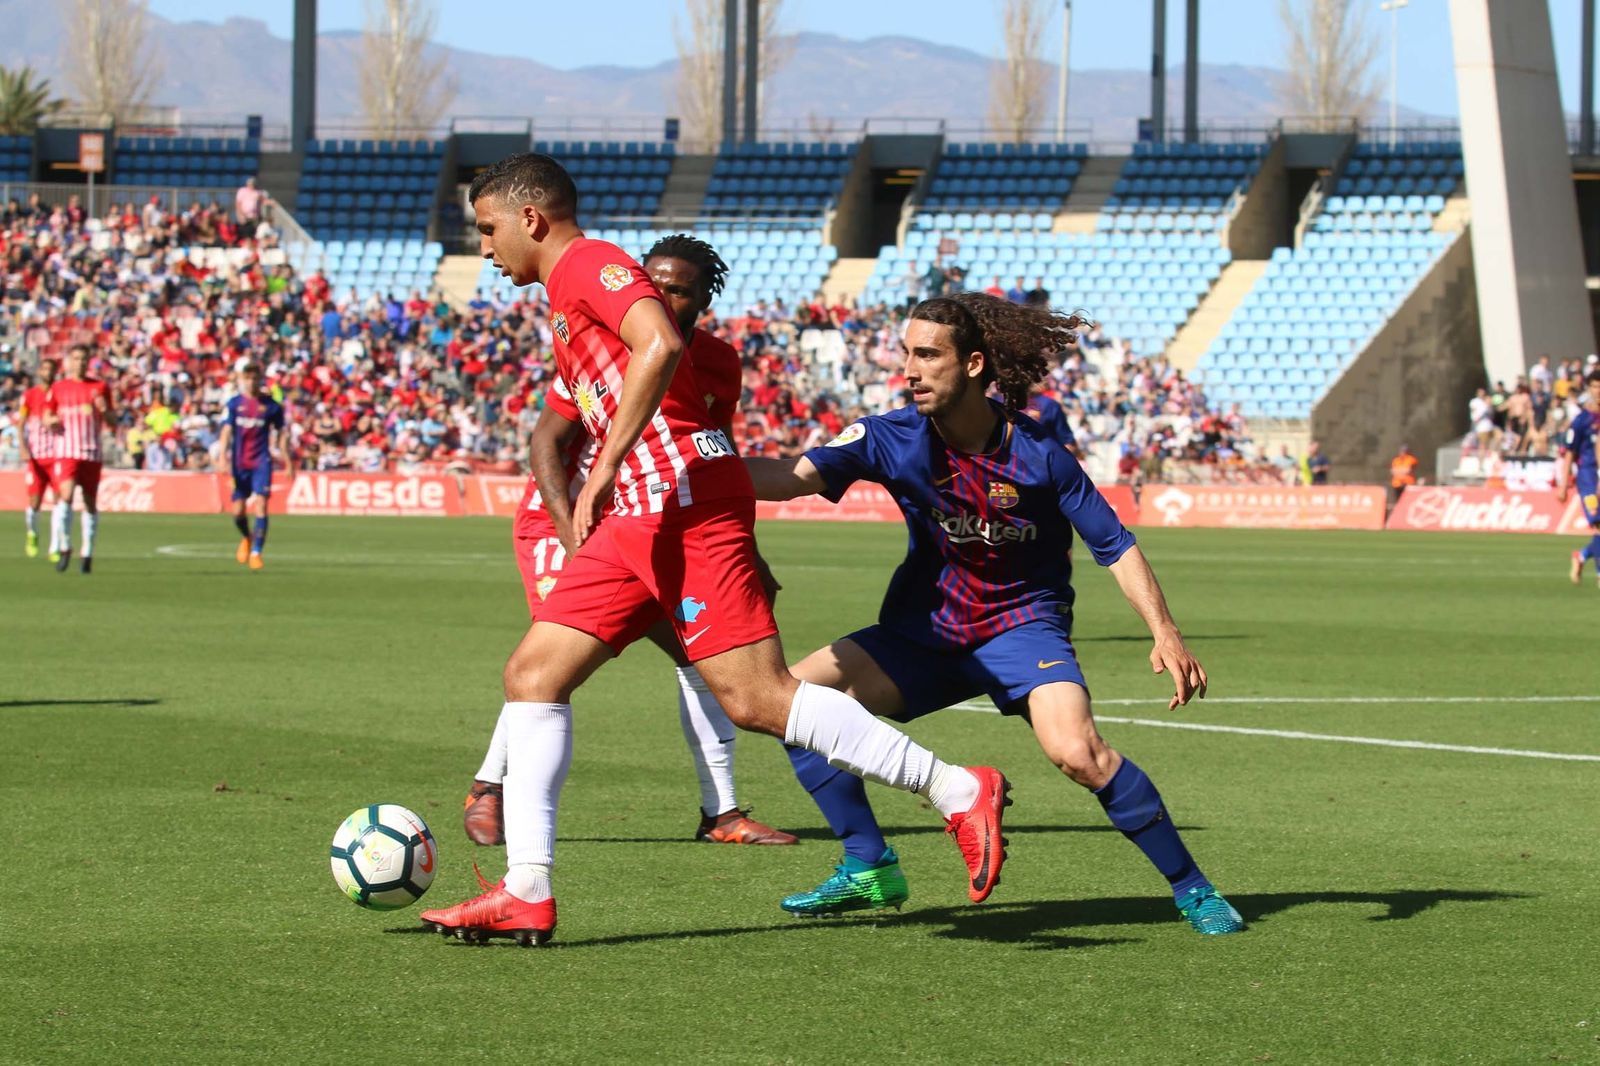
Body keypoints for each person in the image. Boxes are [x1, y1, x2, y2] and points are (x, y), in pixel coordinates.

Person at [418, 154, 1009, 946]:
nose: (484, 248)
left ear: (532, 219)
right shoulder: (563, 292)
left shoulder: (592, 263)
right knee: (532, 673)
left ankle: (958, 788)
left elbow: (660, 343)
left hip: (682, 506)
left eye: (488, 229)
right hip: (641, 514)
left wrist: (605, 469)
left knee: (757, 698)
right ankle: (526, 890)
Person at [743, 292, 1242, 935]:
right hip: (924, 632)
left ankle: (1192, 888)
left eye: (927, 355)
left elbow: (1113, 544)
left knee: (1077, 753)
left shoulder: (1040, 455)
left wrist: (1164, 631)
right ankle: (868, 865)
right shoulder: (887, 435)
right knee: (797, 705)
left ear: (974, 364)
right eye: (906, 354)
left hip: (1020, 626)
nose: (910, 370)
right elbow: (791, 476)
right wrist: (693, 466)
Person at [464, 233, 797, 849]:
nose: (664, 298)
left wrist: (746, 550)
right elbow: (546, 443)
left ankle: (721, 814)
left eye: (681, 290)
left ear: (704, 300)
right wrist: (573, 533)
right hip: (565, 517)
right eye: (656, 284)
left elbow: (706, 459)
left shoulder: (720, 364)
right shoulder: (607, 336)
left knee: (697, 656)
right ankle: (490, 788)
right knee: (547, 667)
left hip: (653, 517)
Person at [215, 362, 291, 571]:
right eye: (247, 378)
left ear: (260, 380)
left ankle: (257, 552)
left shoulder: (271, 406)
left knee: (261, 504)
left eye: (254, 378)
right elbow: (226, 431)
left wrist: (287, 461)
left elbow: (282, 434)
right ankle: (247, 538)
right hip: (239, 463)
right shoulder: (234, 404)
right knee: (238, 511)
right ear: (242, 379)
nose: (251, 382)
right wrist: (222, 456)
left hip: (261, 461)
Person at [44, 344, 112, 574]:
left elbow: (113, 421)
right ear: (69, 361)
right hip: (66, 451)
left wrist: (103, 409)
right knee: (65, 496)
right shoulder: (59, 387)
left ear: (88, 362)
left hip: (91, 452)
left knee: (90, 503)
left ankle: (87, 553)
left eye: (84, 359)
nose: (80, 363)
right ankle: (64, 546)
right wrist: (50, 421)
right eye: (75, 358)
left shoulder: (100, 387)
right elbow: (47, 415)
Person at [1556, 370, 1600, 585]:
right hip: (1588, 477)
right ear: (1589, 389)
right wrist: (1564, 484)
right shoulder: (1582, 420)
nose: (1598, 391)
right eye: (1595, 387)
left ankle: (1581, 556)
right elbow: (1570, 452)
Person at [18, 359, 58, 559]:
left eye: (51, 369)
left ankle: (55, 546)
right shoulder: (30, 396)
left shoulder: (60, 393)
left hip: (58, 456)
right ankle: (32, 534)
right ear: (39, 371)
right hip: (36, 457)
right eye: (44, 368)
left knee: (60, 503)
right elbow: (21, 423)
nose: (47, 372)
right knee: (34, 501)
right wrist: (23, 447)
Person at [1389, 442, 1419, 509]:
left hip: (1408, 484)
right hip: (1397, 484)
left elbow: (1408, 470)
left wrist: (1399, 471)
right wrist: (1402, 470)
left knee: (1408, 502)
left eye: (1404, 451)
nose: (1402, 452)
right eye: (1402, 451)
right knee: (1398, 503)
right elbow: (1393, 471)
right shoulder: (1396, 460)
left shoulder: (1411, 459)